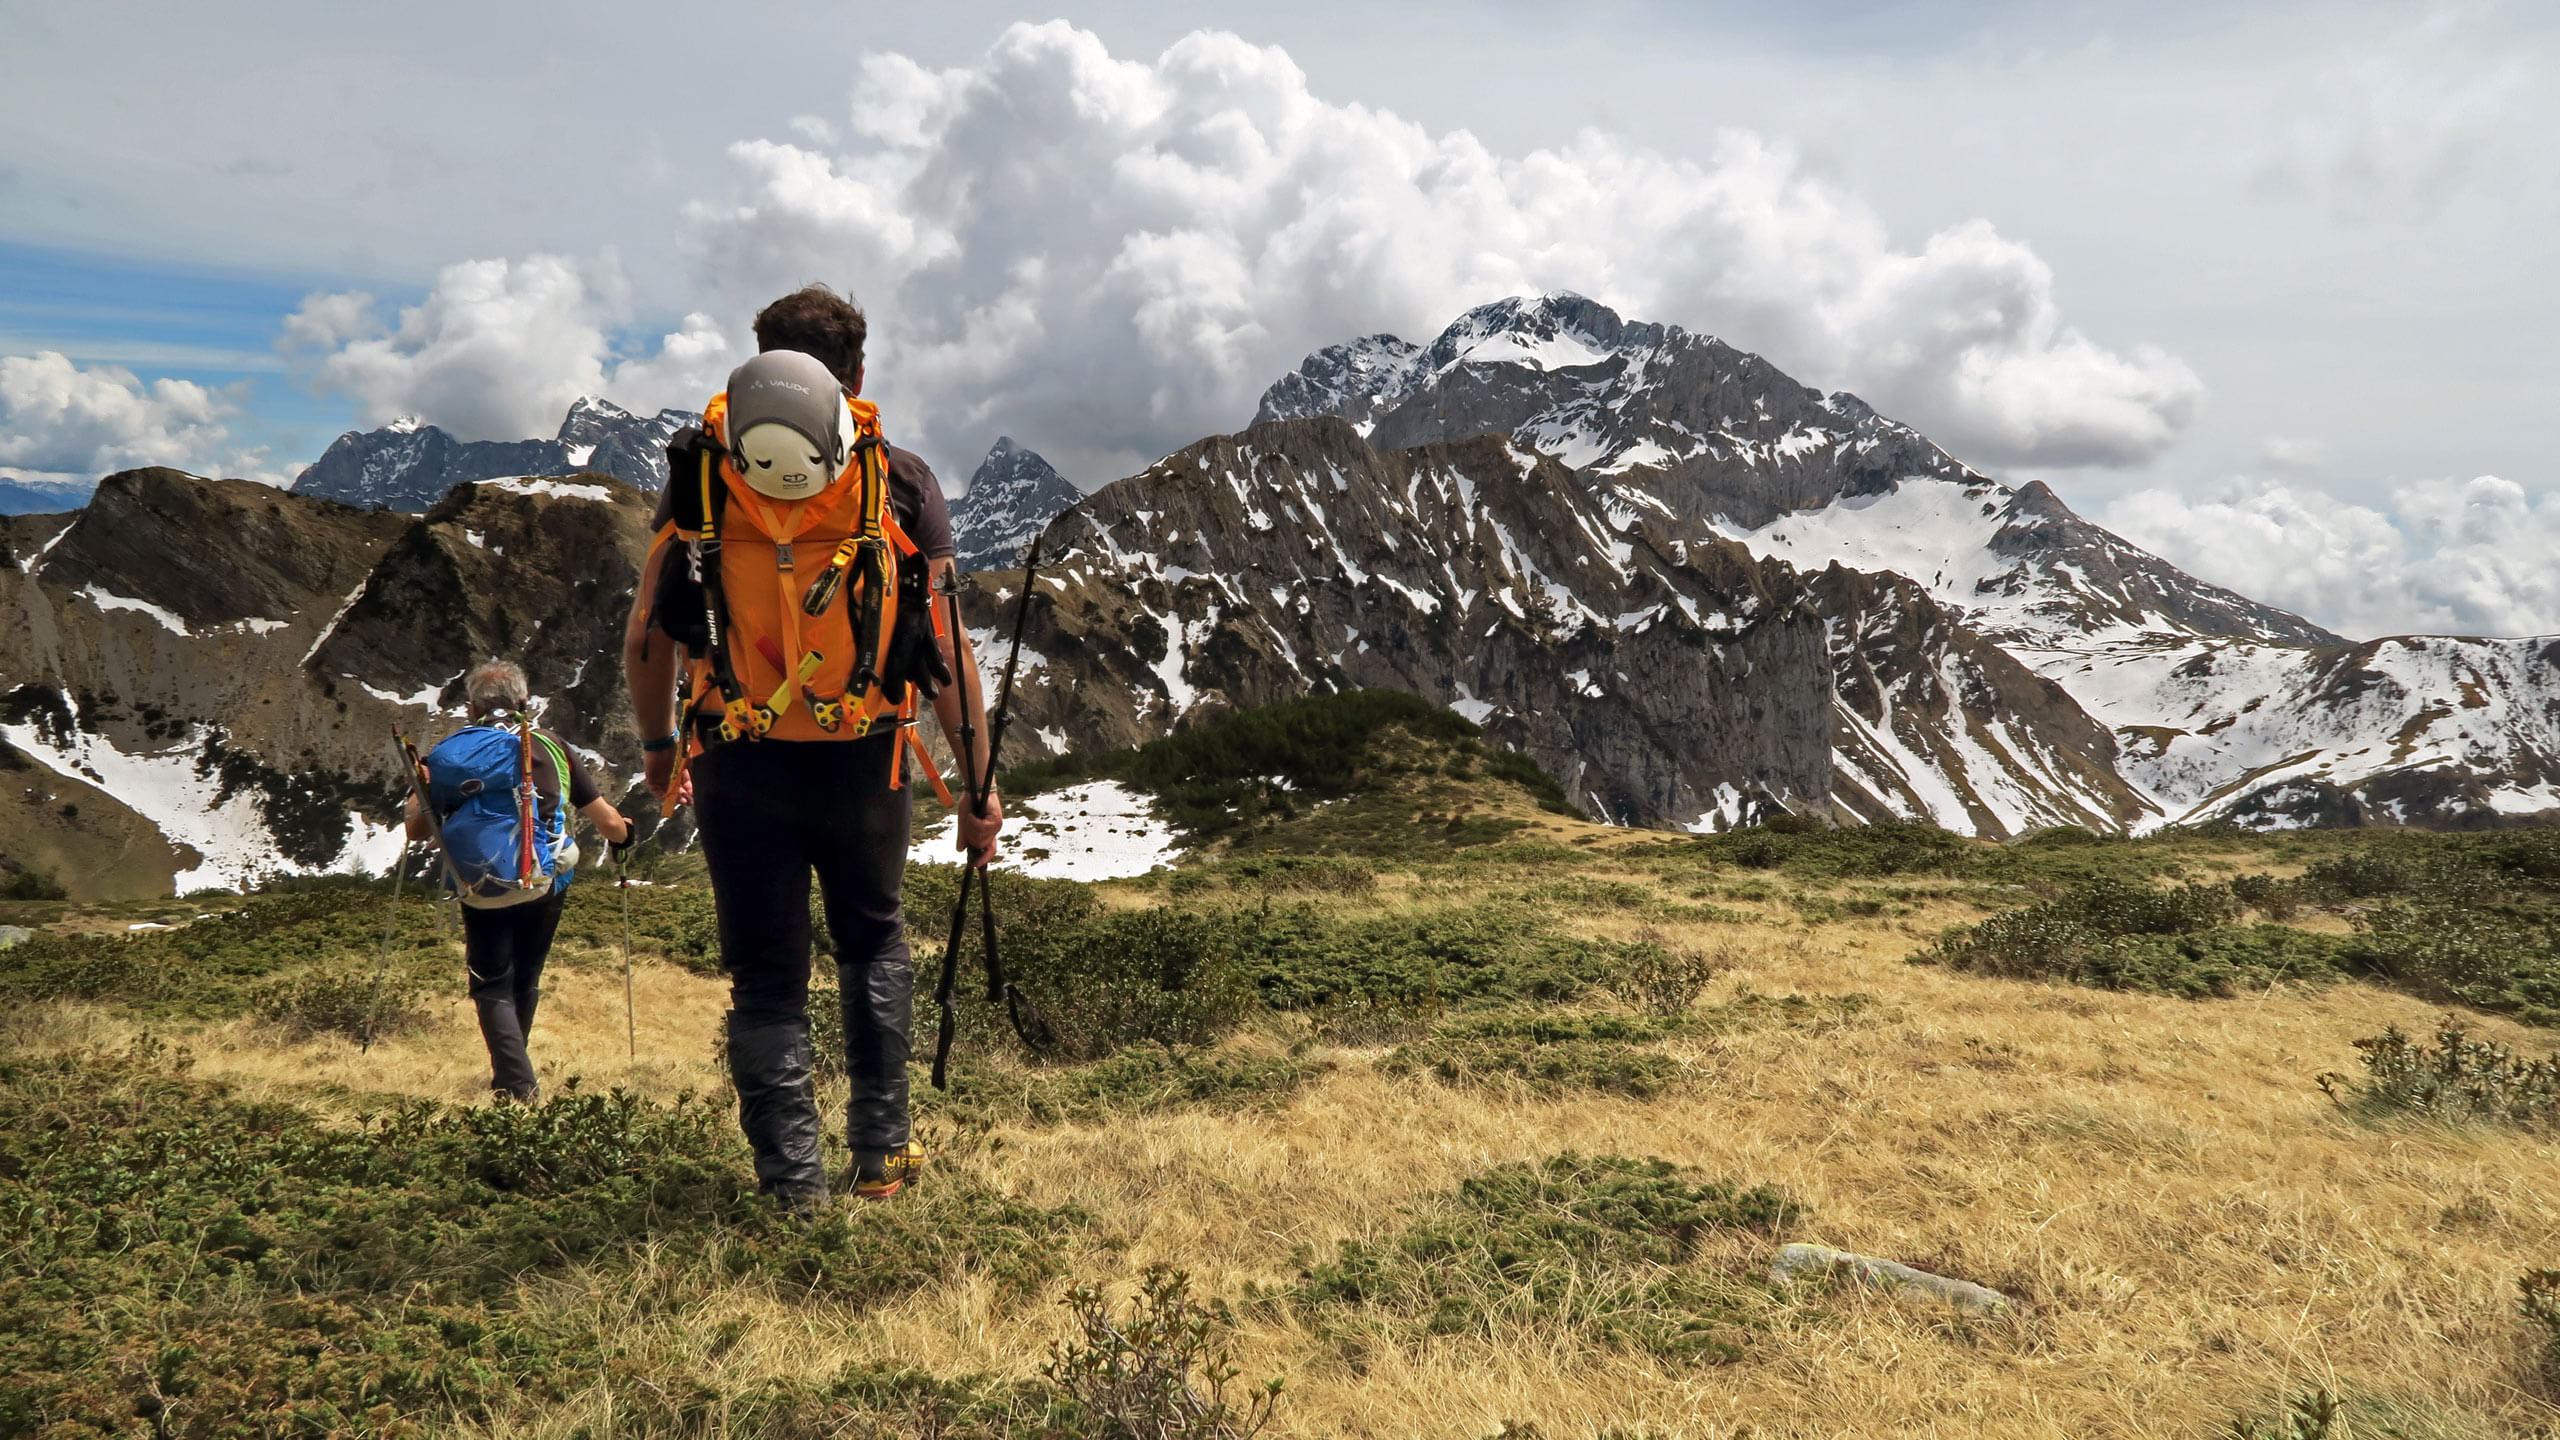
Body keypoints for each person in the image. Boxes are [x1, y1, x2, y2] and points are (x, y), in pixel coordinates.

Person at [623, 284, 1003, 1207]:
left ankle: (792, 1189)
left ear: (755, 361)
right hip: (864, 758)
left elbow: (647, 635)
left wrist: (662, 747)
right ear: (858, 372)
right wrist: (977, 787)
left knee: (765, 978)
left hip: (735, 757)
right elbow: (946, 647)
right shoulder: (900, 479)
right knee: (872, 944)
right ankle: (881, 1159)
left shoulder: (700, 478)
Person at [406, 658, 632, 1102]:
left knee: (491, 983)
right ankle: (514, 1082)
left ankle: (515, 1082)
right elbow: (607, 823)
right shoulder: (550, 746)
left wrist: (422, 786)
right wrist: (628, 834)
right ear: (525, 703)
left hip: (478, 885)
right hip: (545, 881)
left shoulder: (450, 754)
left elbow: (416, 829)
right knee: (524, 978)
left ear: (472, 708)